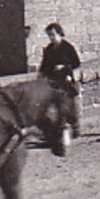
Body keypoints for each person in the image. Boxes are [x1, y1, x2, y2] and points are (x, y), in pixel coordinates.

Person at [37, 23, 81, 154]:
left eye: (53, 35)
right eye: (49, 35)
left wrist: (65, 69)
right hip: (53, 82)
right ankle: (55, 135)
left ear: (59, 34)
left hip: (66, 82)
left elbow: (76, 65)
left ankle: (74, 128)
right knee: (54, 109)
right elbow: (44, 66)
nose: (51, 38)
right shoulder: (49, 49)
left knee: (68, 107)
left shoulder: (68, 48)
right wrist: (40, 78)